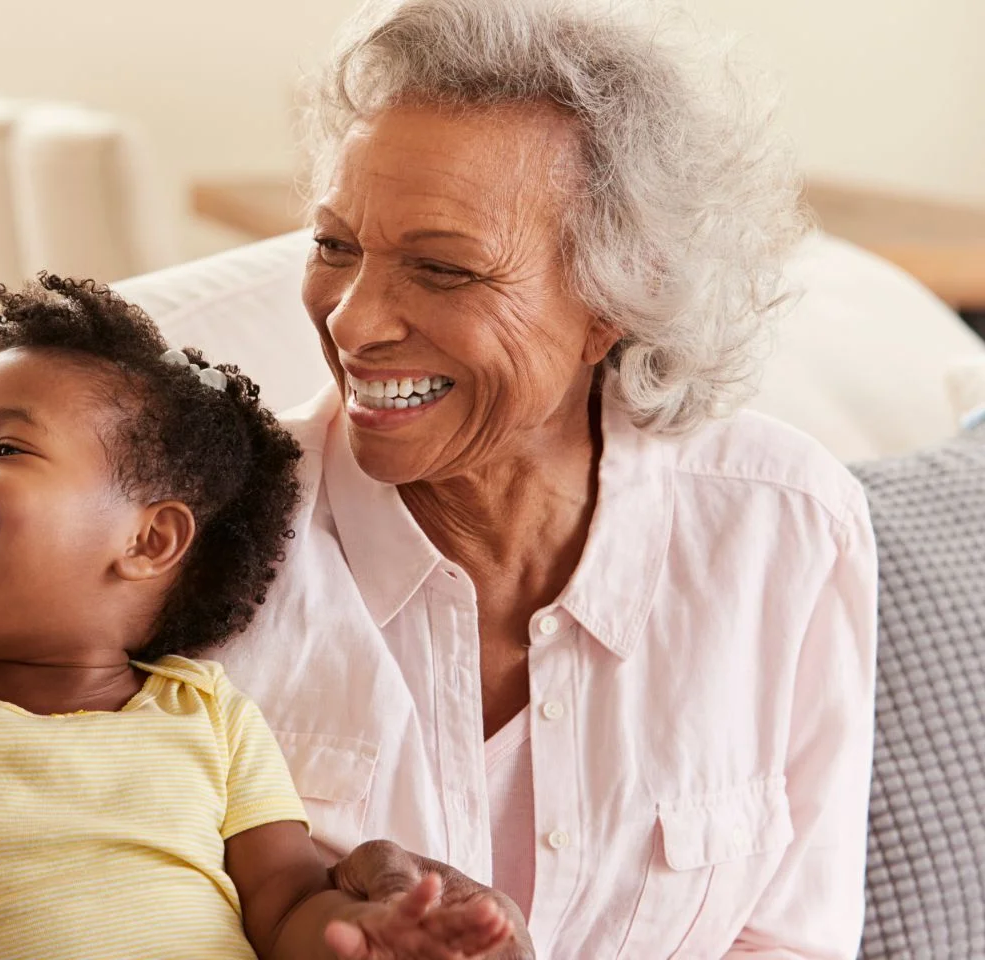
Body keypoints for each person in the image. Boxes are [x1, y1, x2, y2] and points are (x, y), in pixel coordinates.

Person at [217, 0, 878, 956]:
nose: (354, 324)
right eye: (335, 248)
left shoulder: (788, 526)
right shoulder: (202, 533)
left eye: (442, 269)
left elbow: (791, 939)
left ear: (615, 300)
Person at [0, 275, 522, 960]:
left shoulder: (209, 713)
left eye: (7, 447)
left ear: (149, 540)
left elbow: (287, 906)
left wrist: (376, 932)